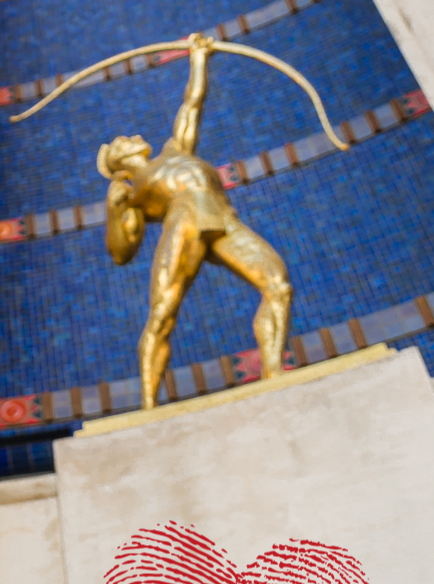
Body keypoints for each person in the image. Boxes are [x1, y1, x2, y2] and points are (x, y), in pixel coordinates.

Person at [99, 32, 293, 408]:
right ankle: (149, 406)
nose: (132, 135)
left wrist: (199, 58)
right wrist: (113, 210)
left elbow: (191, 105)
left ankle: (275, 375)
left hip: (221, 217)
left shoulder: (175, 150)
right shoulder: (132, 192)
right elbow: (121, 252)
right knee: (162, 314)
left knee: (278, 286)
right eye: (123, 141)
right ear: (117, 164)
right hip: (183, 220)